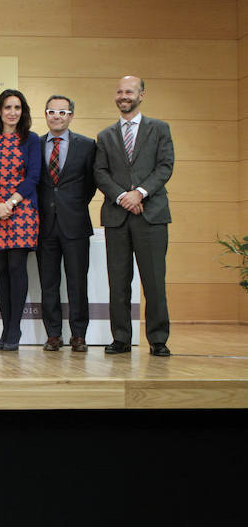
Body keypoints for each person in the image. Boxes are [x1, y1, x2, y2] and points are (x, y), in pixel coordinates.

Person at [94, 76, 173, 357]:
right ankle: (121, 339)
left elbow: (165, 166)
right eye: (119, 91)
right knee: (118, 281)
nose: (123, 96)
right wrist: (123, 198)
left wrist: (139, 193)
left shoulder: (160, 129)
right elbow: (100, 173)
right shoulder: (105, 136)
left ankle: (158, 340)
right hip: (117, 216)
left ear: (142, 95)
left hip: (152, 216)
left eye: (129, 91)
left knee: (153, 281)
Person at [0, 89, 41, 351]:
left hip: (21, 212)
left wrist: (10, 204)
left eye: (17, 108)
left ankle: (14, 330)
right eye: (7, 107)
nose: (12, 112)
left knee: (17, 269)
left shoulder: (31, 140)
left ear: (22, 112)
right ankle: (6, 328)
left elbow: (33, 177)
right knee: (1, 273)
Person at [36, 95, 97, 353]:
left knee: (77, 282)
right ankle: (53, 335)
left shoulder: (87, 145)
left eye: (62, 112)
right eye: (52, 112)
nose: (57, 116)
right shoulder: (34, 145)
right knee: (48, 283)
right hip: (44, 225)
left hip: (75, 224)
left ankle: (79, 335)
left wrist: (72, 205)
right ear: (46, 115)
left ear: (71, 116)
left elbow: (92, 183)